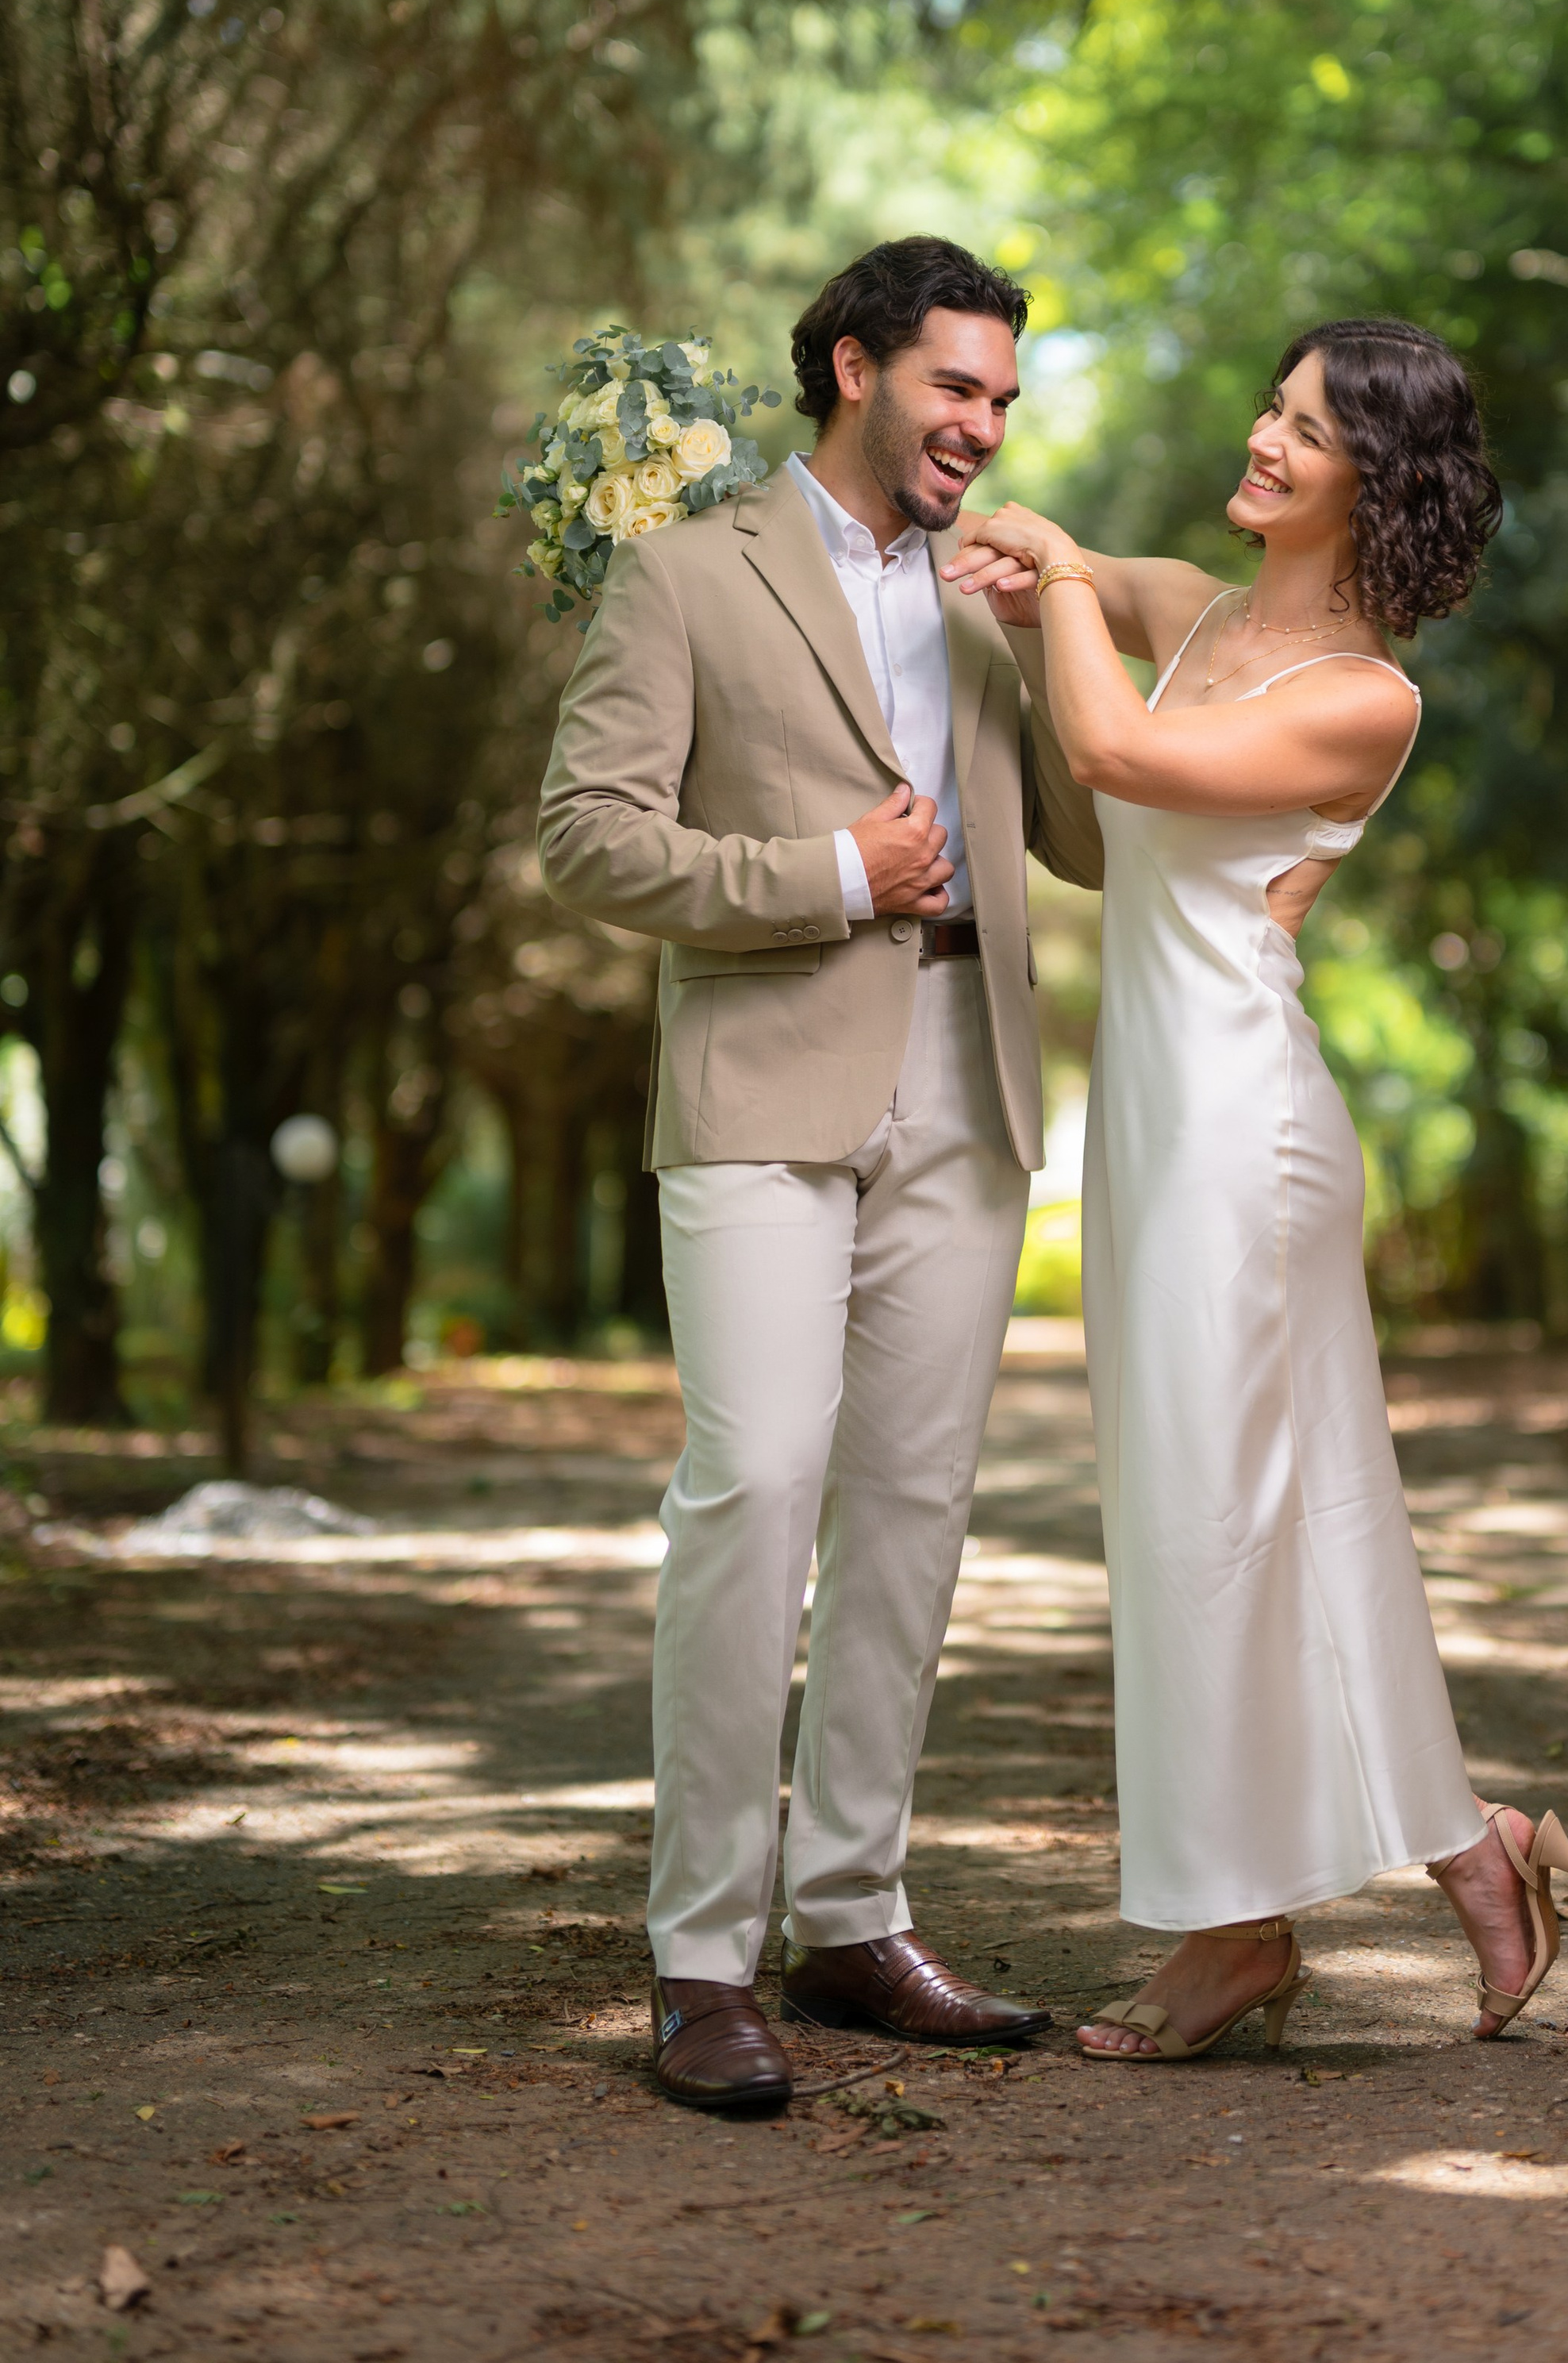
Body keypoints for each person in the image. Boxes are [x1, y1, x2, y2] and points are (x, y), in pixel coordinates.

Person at [943, 315, 1568, 2061]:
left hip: (1246, 1130)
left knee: (1218, 1523)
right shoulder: (1201, 611)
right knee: (1231, 1519)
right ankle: (1469, 1856)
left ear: (1368, 483)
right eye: (1270, 404)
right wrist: (992, 552)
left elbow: (1117, 760)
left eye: (1302, 429)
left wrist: (1063, 576)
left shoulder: (1358, 700)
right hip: (1158, 1127)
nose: (1259, 436)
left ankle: (1231, 1938)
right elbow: (1050, 613)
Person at [539, 236, 1104, 2116]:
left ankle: (854, 1917)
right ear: (855, 367)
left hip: (971, 1073)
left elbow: (1091, 834)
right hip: (764, 1072)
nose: (983, 424)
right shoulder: (687, 569)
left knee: (912, 1503)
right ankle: (703, 1957)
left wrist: (1064, 628)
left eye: (1004, 399)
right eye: (956, 385)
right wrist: (822, 877)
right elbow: (589, 840)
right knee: (757, 1481)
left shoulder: (987, 591)